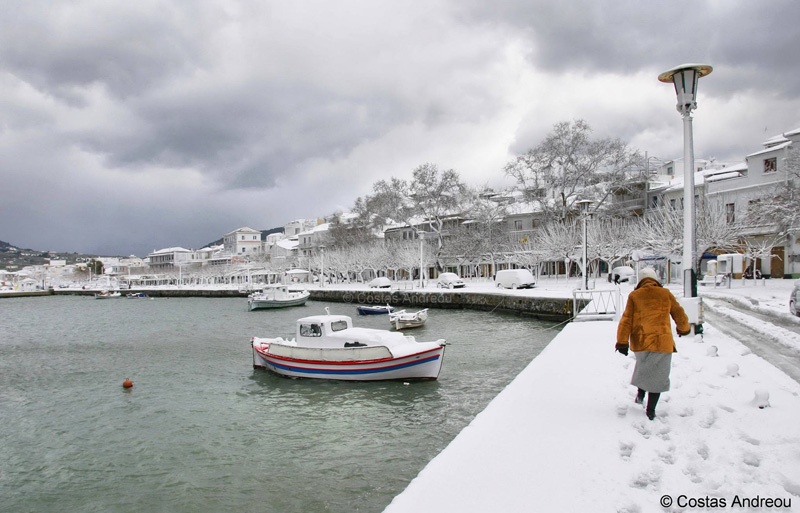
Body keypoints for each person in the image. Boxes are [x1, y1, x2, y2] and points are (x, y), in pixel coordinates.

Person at [615, 267, 691, 420]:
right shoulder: (665, 294)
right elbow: (679, 313)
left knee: (644, 369)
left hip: (641, 342)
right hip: (662, 342)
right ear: (655, 279)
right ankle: (651, 410)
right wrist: (684, 329)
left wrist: (622, 342)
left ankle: (640, 395)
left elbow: (626, 320)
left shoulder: (635, 296)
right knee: (658, 377)